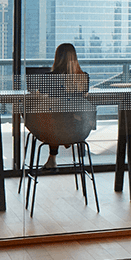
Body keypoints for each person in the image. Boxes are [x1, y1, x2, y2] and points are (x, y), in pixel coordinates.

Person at [42, 43, 90, 171]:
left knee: (53, 115)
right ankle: (66, 141)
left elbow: (45, 99)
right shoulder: (83, 77)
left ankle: (52, 158)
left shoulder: (51, 77)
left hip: (53, 127)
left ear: (57, 57)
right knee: (62, 115)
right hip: (79, 127)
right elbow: (83, 99)